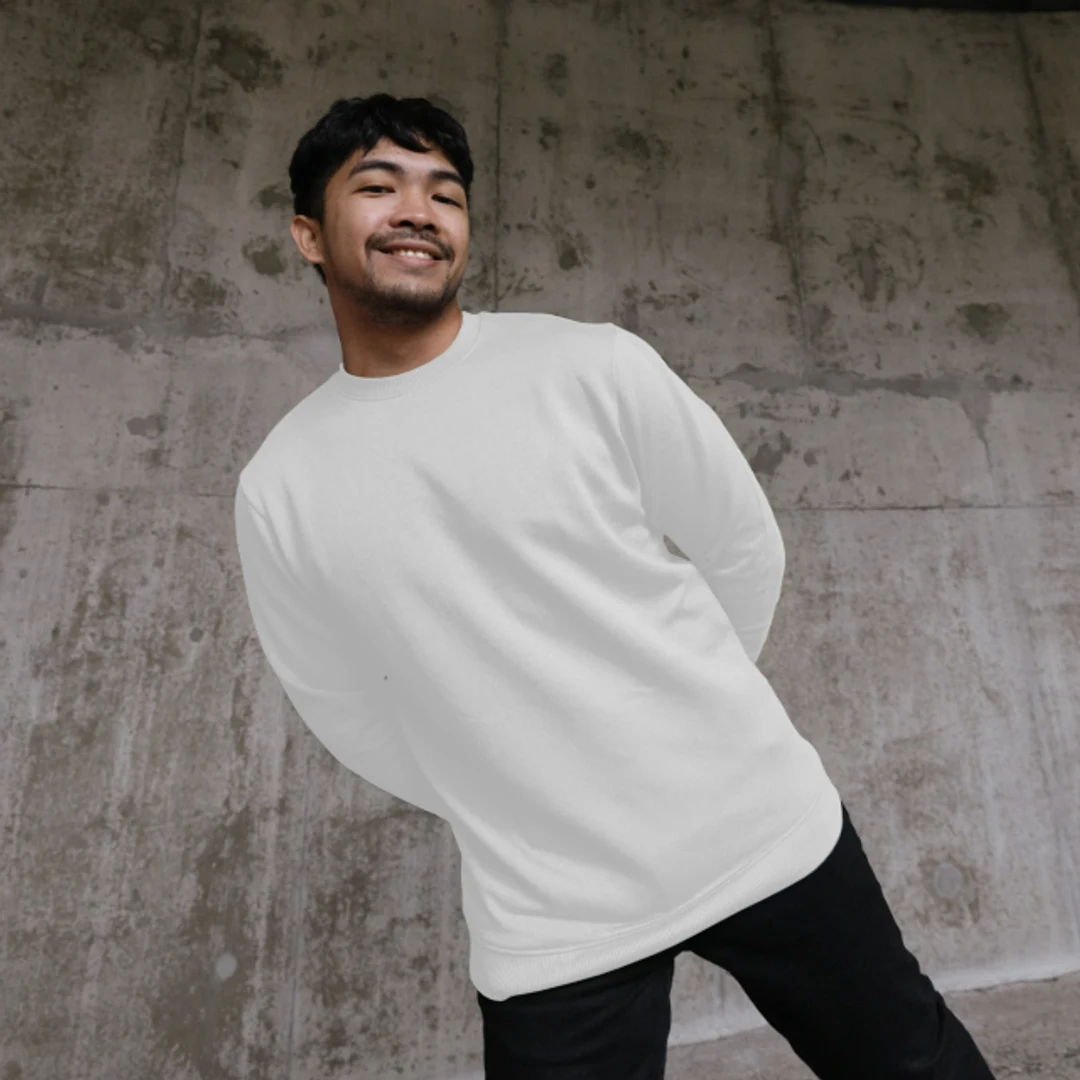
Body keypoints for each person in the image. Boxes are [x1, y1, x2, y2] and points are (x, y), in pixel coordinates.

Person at [233, 93, 997, 1079]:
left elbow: (741, 546)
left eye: (445, 194)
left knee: (914, 1066)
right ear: (308, 234)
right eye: (379, 188)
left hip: (753, 823)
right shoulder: (283, 484)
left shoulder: (589, 363)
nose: (419, 211)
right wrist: (507, 787)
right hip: (551, 905)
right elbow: (338, 702)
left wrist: (679, 709)